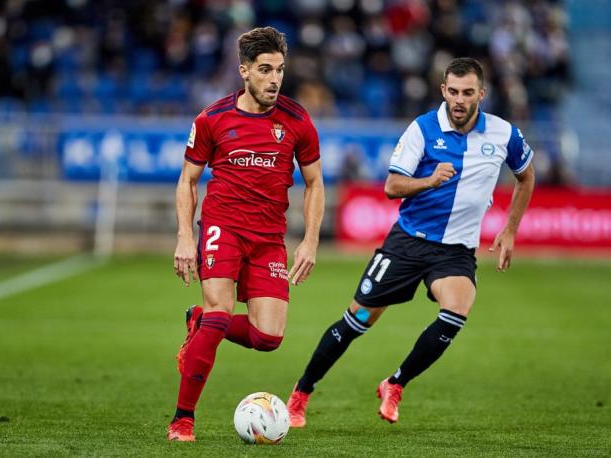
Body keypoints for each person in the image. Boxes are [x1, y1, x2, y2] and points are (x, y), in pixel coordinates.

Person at [286, 57, 535, 427]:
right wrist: (430, 181)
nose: (460, 100)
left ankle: (395, 384)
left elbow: (526, 176)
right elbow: (391, 186)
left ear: (481, 93)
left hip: (455, 252)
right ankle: (301, 393)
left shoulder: (503, 134)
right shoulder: (422, 129)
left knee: (456, 313)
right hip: (408, 243)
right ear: (443, 91)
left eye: (468, 92)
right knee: (357, 321)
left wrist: (510, 230)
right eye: (453, 92)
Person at [167, 26, 324, 442]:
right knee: (221, 314)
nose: (275, 79)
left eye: (281, 70)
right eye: (266, 69)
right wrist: (186, 236)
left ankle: (198, 323)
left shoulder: (296, 120)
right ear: (244, 71)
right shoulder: (212, 119)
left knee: (267, 337)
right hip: (223, 228)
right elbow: (188, 180)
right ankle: (183, 420)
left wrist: (309, 240)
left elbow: (315, 182)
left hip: (269, 237)